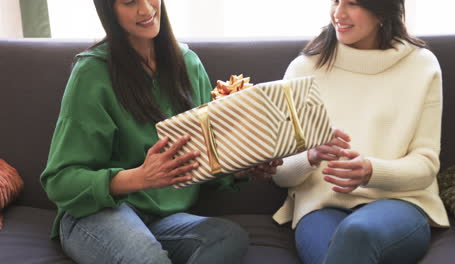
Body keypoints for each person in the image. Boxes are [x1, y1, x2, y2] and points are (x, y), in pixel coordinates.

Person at [40, 0, 281, 263]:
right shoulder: (91, 73)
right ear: (109, 10)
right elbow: (60, 182)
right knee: (149, 259)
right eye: (130, 2)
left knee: (229, 237)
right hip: (97, 212)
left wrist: (243, 168)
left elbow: (202, 159)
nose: (146, 9)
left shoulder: (188, 64)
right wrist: (141, 177)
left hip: (162, 221)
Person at [271, 0, 449, 263]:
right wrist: (311, 156)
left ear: (382, 10)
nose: (338, 13)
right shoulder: (303, 69)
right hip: (320, 208)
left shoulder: (421, 65)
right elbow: (280, 173)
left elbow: (425, 166)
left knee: (356, 233)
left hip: (400, 204)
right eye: (335, 1)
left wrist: (370, 171)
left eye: (352, 3)